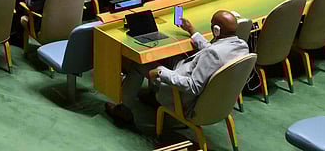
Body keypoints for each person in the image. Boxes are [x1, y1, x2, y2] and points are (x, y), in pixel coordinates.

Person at [105, 10, 249, 126]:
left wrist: (161, 73)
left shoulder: (213, 54)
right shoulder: (241, 46)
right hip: (210, 92)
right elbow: (214, 52)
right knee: (169, 56)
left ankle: (124, 110)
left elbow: (193, 86)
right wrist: (193, 32)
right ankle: (151, 95)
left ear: (216, 30)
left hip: (182, 95)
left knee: (139, 65)